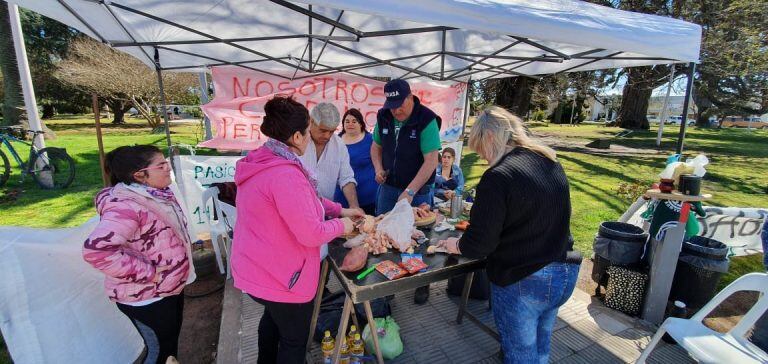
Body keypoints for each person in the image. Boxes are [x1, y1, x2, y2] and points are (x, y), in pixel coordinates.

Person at [436, 106, 581, 364]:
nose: (485, 159)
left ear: (491, 138)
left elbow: (480, 243)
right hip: (564, 271)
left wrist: (454, 245)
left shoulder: (498, 177)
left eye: (482, 151)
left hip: (525, 278)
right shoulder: (549, 161)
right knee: (541, 348)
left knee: (519, 355)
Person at [231, 96, 360, 364]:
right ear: (299, 135)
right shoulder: (285, 173)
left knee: (272, 320)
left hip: (260, 267)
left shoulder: (265, 159)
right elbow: (311, 233)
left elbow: (306, 201)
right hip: (283, 275)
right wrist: (344, 225)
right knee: (293, 340)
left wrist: (342, 210)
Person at [83, 145, 195, 364]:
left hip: (167, 288)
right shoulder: (126, 206)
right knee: (160, 352)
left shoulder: (158, 194)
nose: (168, 168)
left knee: (169, 347)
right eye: (161, 165)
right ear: (140, 175)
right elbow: (97, 251)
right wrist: (150, 273)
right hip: (146, 296)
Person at [371, 78, 442, 305]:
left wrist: (410, 191)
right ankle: (388, 280)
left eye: (401, 104)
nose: (396, 110)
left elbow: (431, 160)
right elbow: (376, 146)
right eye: (392, 106)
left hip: (418, 191)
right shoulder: (383, 116)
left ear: (411, 97)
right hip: (390, 186)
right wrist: (379, 168)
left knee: (418, 238)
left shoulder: (426, 119)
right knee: (383, 232)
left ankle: (420, 282)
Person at [299, 102, 359, 208]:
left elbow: (346, 178)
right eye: (323, 130)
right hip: (298, 209)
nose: (327, 136)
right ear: (311, 121)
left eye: (331, 131)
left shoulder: (339, 144)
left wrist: (354, 206)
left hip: (326, 211)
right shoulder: (297, 141)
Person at [335, 108, 377, 215]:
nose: (350, 124)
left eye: (354, 121)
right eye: (347, 121)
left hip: (369, 197)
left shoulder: (371, 140)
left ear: (361, 124)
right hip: (342, 199)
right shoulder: (335, 142)